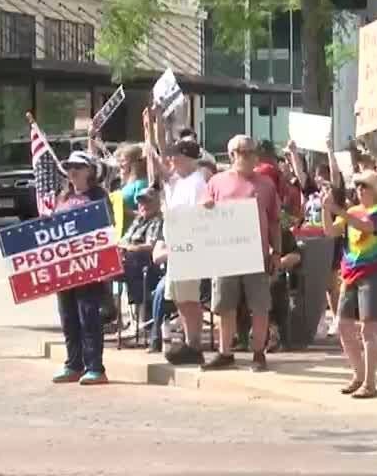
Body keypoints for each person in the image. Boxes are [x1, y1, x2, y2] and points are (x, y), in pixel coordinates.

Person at [201, 135, 280, 372]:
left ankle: (258, 353)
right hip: (225, 254)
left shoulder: (266, 184)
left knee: (260, 305)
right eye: (240, 151)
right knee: (225, 305)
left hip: (256, 254)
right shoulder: (216, 182)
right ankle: (225, 353)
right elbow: (201, 214)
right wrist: (206, 208)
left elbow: (275, 221)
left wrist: (276, 252)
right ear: (231, 154)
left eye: (250, 151)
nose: (246, 156)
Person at [143, 109, 208, 362]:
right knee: (180, 299)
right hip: (175, 246)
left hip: (189, 247)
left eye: (176, 156)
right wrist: (153, 125)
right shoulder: (176, 181)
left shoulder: (196, 181)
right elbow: (158, 155)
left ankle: (195, 345)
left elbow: (199, 216)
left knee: (189, 298)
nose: (171, 160)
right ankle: (190, 342)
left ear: (187, 158)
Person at [324, 170, 377, 398]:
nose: (360, 190)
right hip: (350, 273)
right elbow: (330, 232)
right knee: (344, 325)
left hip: (375, 272)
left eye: (364, 186)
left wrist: (338, 210)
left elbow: (367, 227)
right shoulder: (351, 211)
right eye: (357, 186)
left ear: (375, 189)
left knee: (369, 329)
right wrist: (327, 209)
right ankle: (358, 374)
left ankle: (370, 382)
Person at [50, 151, 112, 385]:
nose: (72, 171)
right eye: (69, 166)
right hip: (64, 271)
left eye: (78, 166)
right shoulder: (63, 197)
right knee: (68, 318)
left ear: (90, 171)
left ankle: (95, 366)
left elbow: (107, 228)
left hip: (89, 269)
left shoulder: (98, 196)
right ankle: (73, 364)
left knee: (89, 317)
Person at [120, 186, 164, 336]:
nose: (143, 206)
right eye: (140, 202)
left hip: (148, 262)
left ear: (156, 203)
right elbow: (123, 240)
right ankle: (106, 309)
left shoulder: (158, 220)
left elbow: (150, 245)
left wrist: (131, 248)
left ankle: (139, 320)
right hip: (129, 259)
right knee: (106, 267)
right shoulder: (138, 220)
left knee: (133, 262)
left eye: (147, 202)